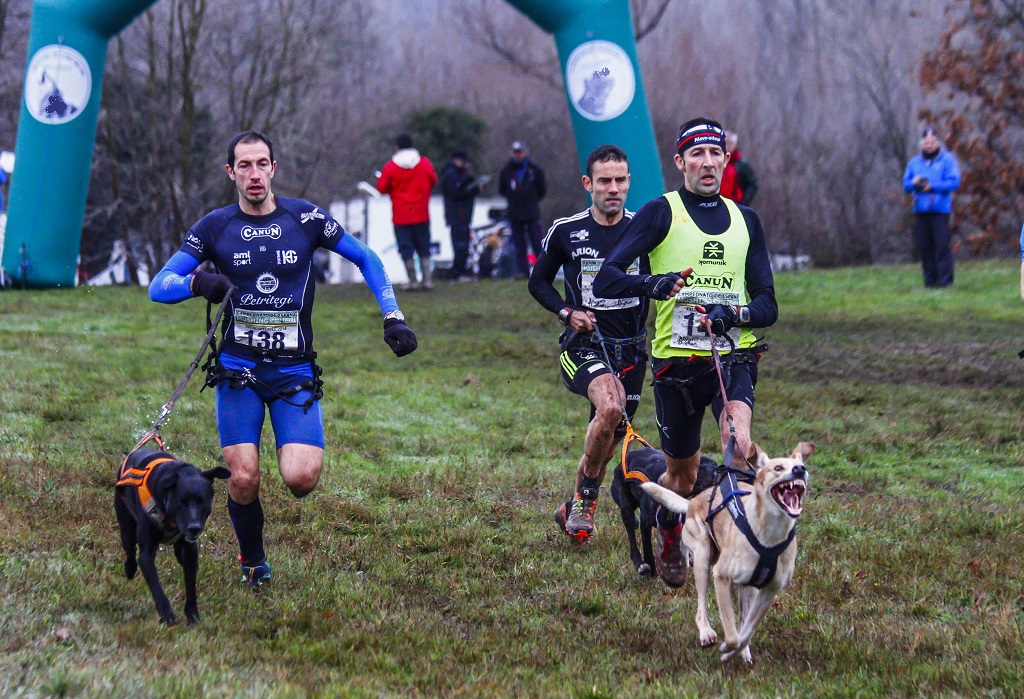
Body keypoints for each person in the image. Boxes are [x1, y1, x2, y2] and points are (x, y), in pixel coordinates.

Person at [149, 130, 417, 587]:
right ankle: (252, 560)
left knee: (300, 479)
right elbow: (159, 285)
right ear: (230, 172)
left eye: (262, 164)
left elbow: (367, 258)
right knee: (244, 477)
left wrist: (393, 315)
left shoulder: (306, 218)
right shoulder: (214, 227)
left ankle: (271, 507)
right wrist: (197, 284)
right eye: (244, 166)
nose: (254, 174)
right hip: (238, 372)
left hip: (294, 371)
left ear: (274, 168)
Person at [593, 118, 778, 588]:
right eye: (697, 154)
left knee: (738, 445)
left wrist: (733, 314)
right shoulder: (661, 213)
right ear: (680, 162)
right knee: (681, 476)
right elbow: (607, 277)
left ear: (726, 159)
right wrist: (653, 283)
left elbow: (768, 305)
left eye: (716, 153)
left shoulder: (746, 220)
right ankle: (670, 532)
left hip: (732, 356)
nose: (708, 162)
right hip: (675, 365)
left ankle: (739, 550)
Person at [528, 144, 649, 541]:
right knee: (611, 407)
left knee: (607, 438)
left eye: (620, 180)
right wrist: (568, 313)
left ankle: (572, 506)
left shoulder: (645, 230)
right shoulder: (566, 230)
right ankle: (587, 504)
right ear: (588, 184)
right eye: (604, 181)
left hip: (631, 349)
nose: (612, 188)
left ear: (629, 182)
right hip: (584, 346)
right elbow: (537, 282)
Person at [377, 133, 438, 290]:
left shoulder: (391, 166)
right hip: (421, 212)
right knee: (424, 246)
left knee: (406, 248)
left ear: (397, 147)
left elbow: (381, 187)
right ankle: (427, 280)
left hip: (401, 214)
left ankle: (413, 281)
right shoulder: (424, 163)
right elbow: (434, 181)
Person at [902, 127, 961, 288]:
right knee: (925, 247)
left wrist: (932, 186)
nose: (929, 145)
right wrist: (914, 183)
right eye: (926, 142)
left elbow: (954, 182)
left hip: (940, 210)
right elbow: (905, 184)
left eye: (932, 142)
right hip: (920, 210)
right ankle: (930, 282)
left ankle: (945, 282)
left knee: (941, 245)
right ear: (921, 144)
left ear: (937, 142)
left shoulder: (947, 160)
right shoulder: (914, 163)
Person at [498, 140, 547, 278]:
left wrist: (530, 200)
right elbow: (502, 189)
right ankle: (522, 271)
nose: (517, 155)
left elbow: (542, 189)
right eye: (515, 153)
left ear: (525, 153)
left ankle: (543, 270)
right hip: (514, 213)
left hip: (531, 213)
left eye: (520, 152)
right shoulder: (506, 170)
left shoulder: (535, 169)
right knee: (519, 244)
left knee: (537, 242)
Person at [441, 150, 484, 280]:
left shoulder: (457, 174)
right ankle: (458, 271)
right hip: (458, 216)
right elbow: (457, 193)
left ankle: (460, 270)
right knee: (460, 245)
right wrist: (473, 189)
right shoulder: (451, 175)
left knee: (463, 244)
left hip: (463, 216)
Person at [720, 131, 758, 206]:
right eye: (725, 143)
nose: (727, 146)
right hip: (718, 204)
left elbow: (752, 185)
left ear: (735, 145)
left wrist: (744, 202)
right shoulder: (717, 162)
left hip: (736, 204)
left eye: (730, 143)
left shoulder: (742, 164)